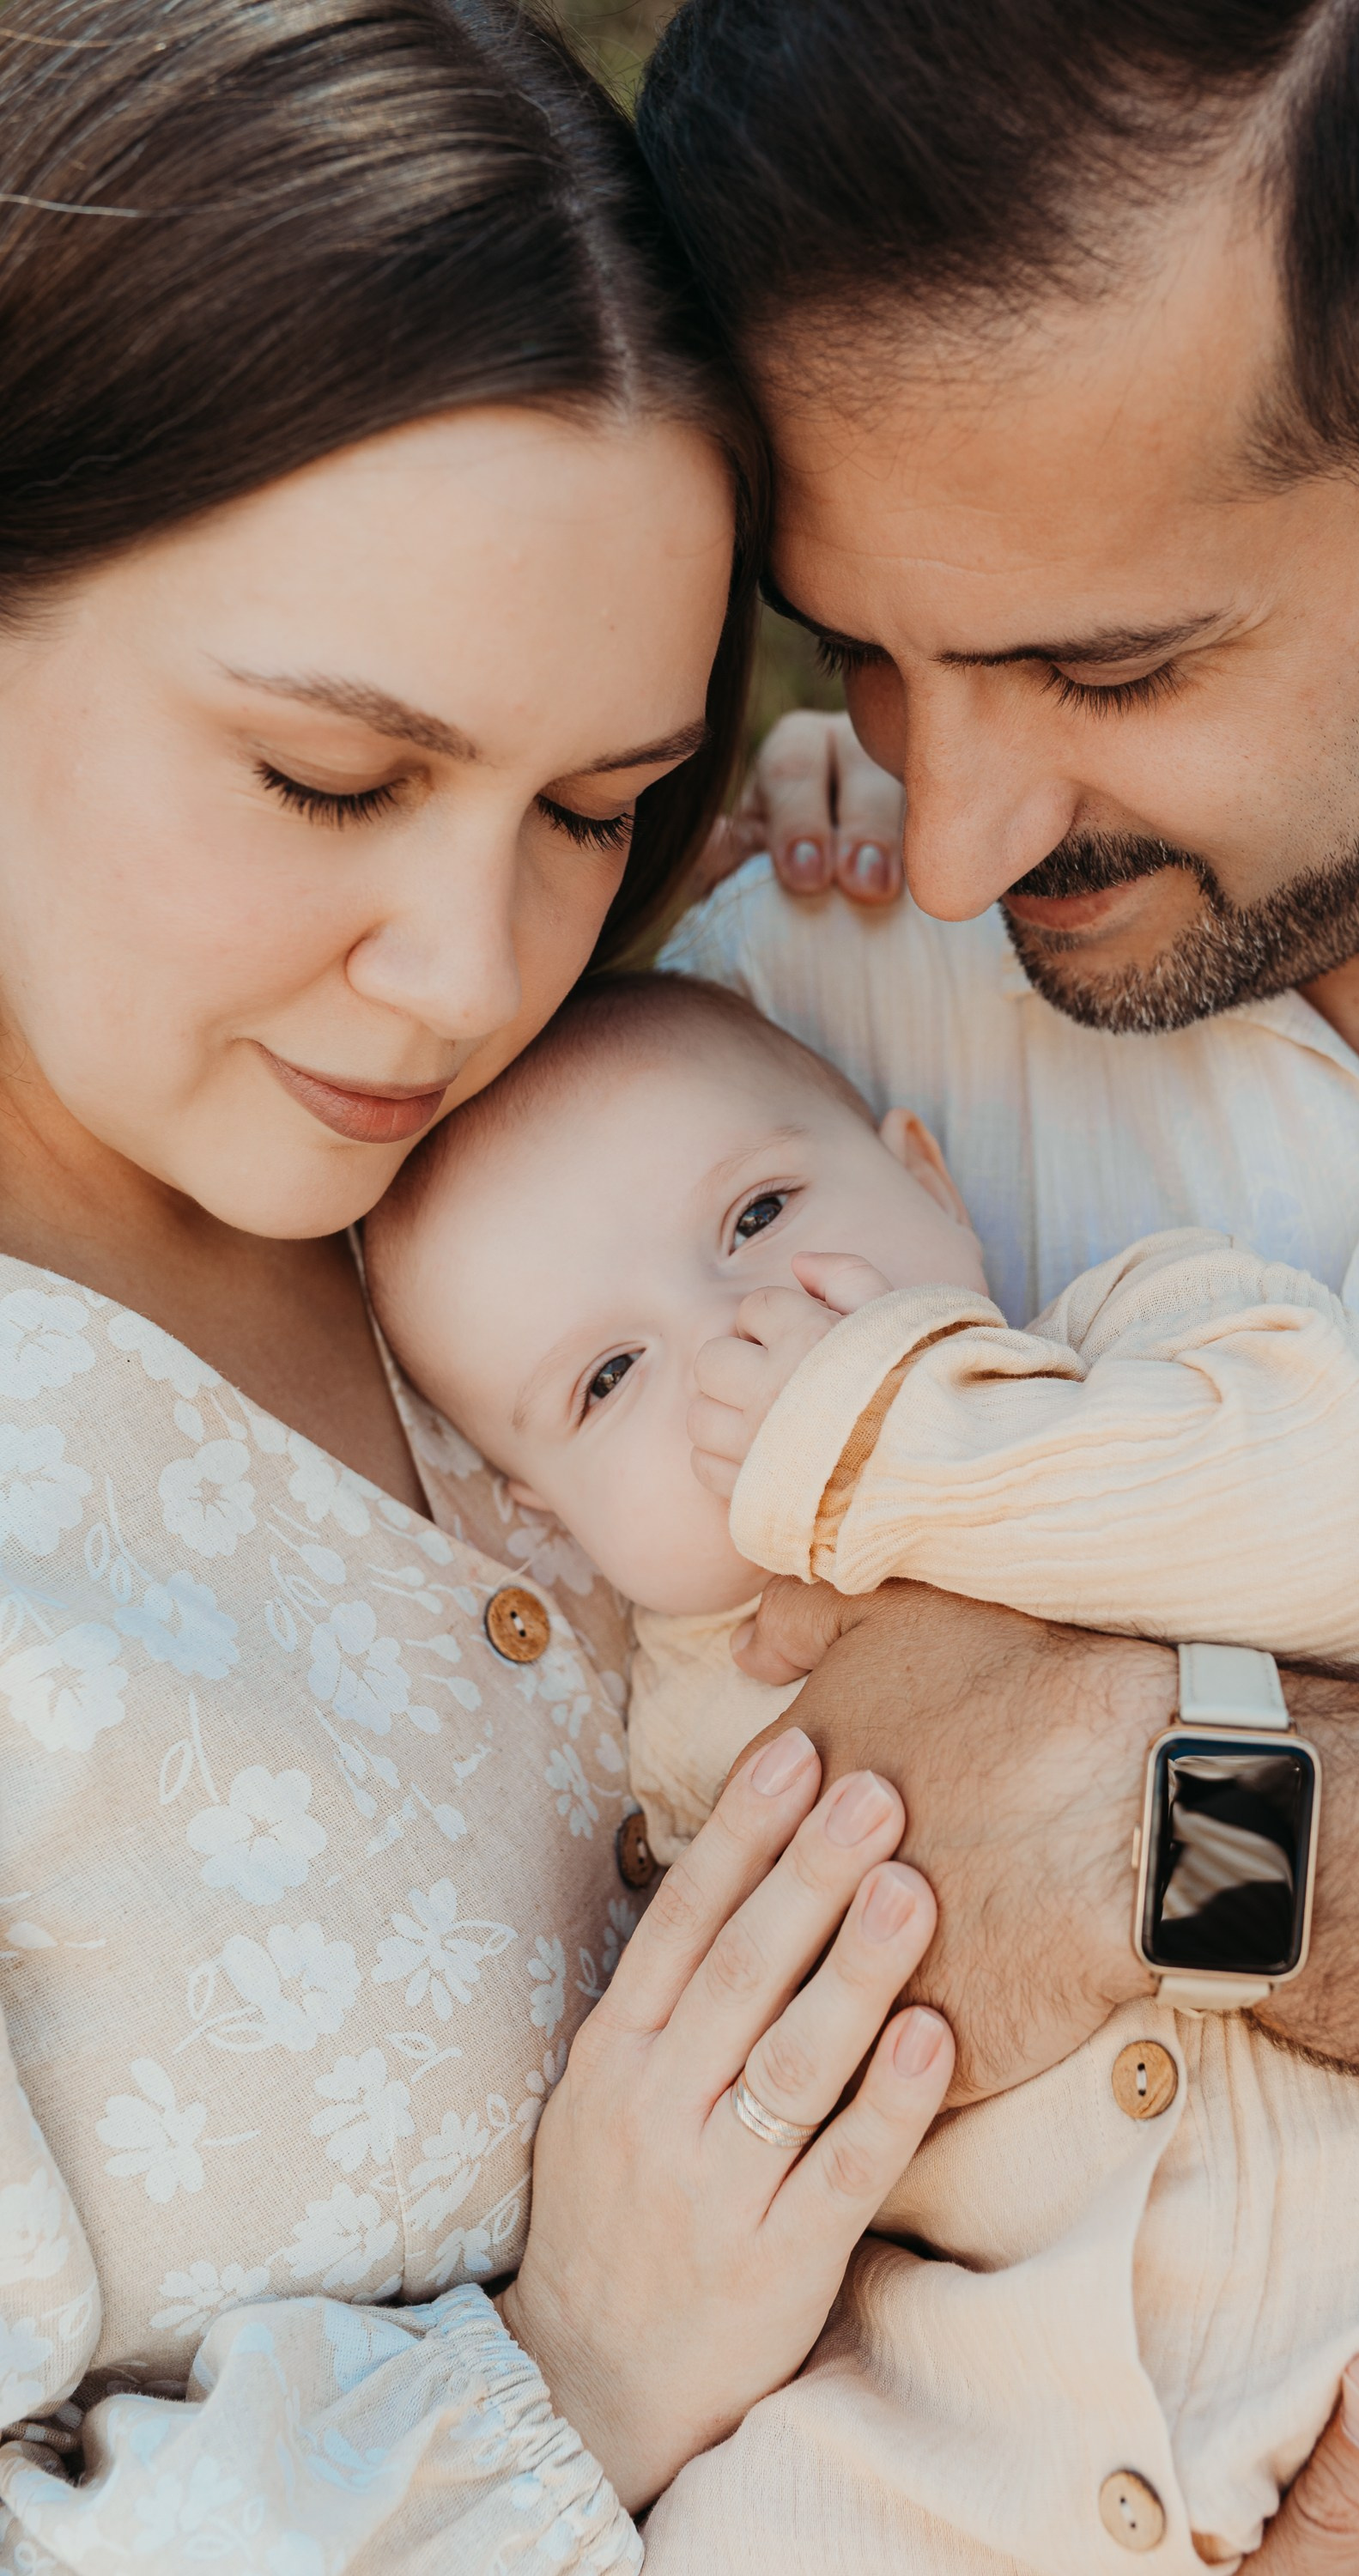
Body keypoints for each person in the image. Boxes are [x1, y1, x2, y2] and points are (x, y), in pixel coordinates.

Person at [631, 0, 1359, 2555]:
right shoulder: (760, 1053)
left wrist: (1178, 1823)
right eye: (862, 656)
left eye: (1106, 665)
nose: (960, 833)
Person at [0, 5, 967, 2566]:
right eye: (333, 779)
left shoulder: (633, 1088)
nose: (462, 971)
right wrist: (580, 2377)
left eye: (592, 802)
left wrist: (866, 862)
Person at [361, 965, 1359, 2573]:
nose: (734, 1337)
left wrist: (898, 1446)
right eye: (607, 1381)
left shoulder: (1155, 1347)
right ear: (553, 1521)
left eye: (760, 1214)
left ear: (927, 1176)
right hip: (1001, 2443)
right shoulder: (670, 1758)